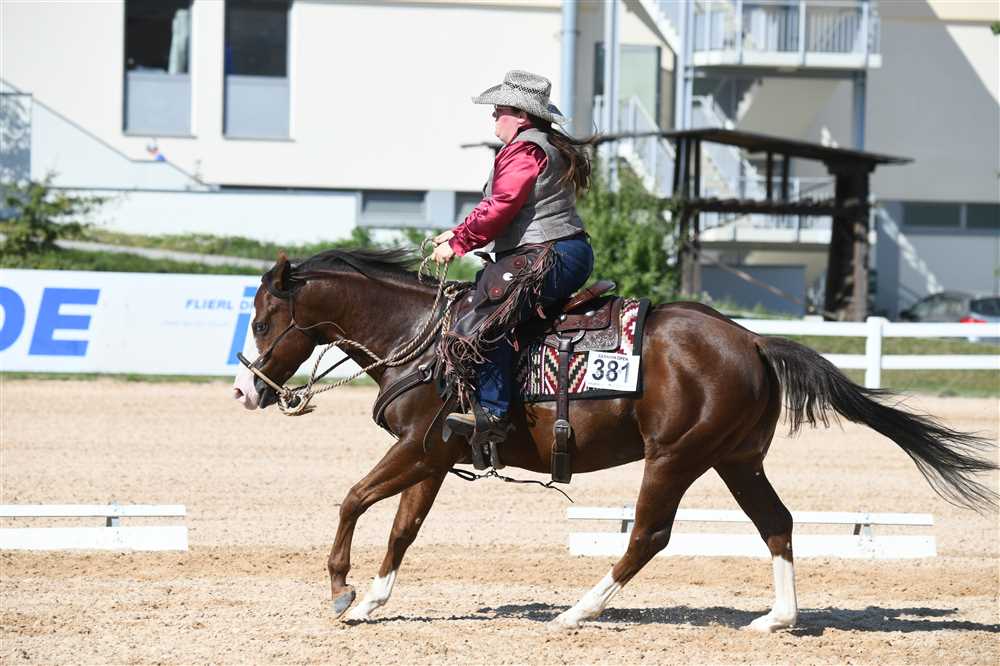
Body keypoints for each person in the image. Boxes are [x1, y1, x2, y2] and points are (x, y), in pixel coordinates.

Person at [431, 70, 594, 446]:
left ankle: (493, 412)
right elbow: (502, 206)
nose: (493, 115)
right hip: (556, 250)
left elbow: (502, 205)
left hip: (549, 252)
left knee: (487, 320)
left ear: (520, 115)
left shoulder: (524, 149)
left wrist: (459, 243)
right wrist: (457, 232)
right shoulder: (537, 145)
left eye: (499, 109)